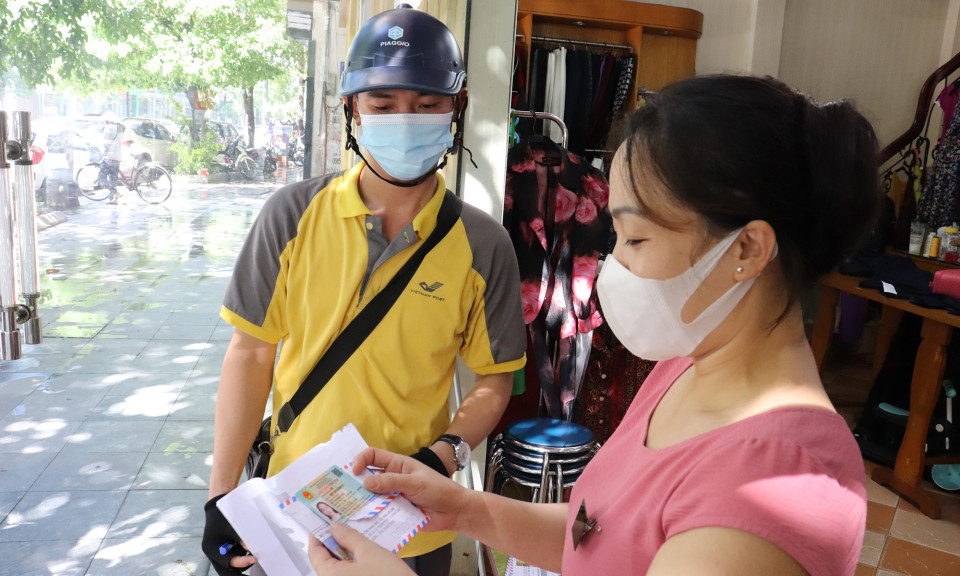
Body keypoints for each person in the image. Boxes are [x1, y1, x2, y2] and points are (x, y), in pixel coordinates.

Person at [305, 75, 883, 576]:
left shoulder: (776, 487)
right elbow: (598, 533)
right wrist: (462, 509)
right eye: (614, 236)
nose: (612, 263)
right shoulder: (685, 369)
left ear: (747, 249)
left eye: (636, 238)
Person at [201, 5, 526, 576]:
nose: (406, 119)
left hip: (414, 522)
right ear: (354, 109)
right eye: (383, 104)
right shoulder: (290, 215)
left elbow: (495, 379)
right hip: (294, 513)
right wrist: (221, 497)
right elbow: (250, 355)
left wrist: (440, 457)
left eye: (427, 104)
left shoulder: (484, 244)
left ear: (456, 109)